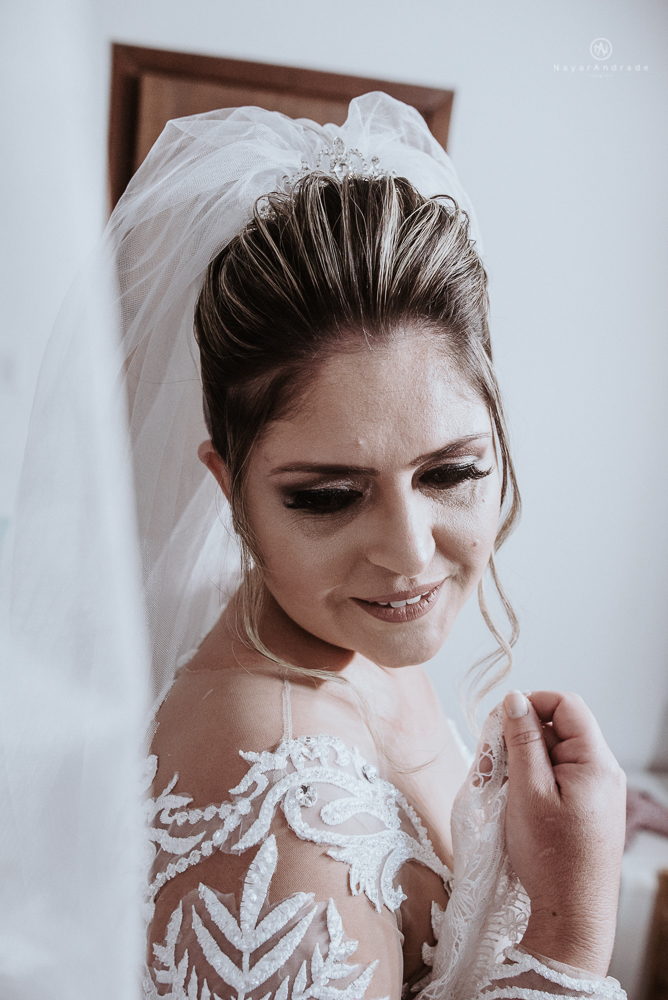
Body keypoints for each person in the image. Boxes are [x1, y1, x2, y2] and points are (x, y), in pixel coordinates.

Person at [5, 92, 625, 998]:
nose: (410, 554)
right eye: (330, 496)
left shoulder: (359, 640)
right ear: (229, 485)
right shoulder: (267, 812)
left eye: (450, 473)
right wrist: (567, 936)